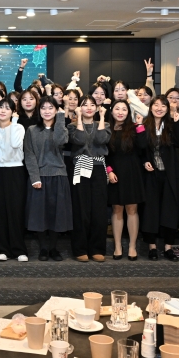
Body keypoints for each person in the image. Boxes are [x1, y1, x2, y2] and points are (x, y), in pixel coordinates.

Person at [26, 96, 73, 261]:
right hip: (39, 177)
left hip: (58, 175)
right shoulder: (32, 130)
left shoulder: (61, 128)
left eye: (50, 108)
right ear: (39, 111)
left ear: (56, 110)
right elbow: (29, 154)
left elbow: (60, 141)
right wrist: (35, 177)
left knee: (56, 214)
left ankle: (53, 248)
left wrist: (61, 117)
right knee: (40, 215)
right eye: (43, 108)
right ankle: (43, 248)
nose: (47, 111)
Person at [140, 96, 179, 261]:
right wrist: (144, 161)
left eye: (163, 106)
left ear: (167, 109)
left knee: (170, 210)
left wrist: (176, 121)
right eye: (156, 105)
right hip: (151, 174)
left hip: (170, 175)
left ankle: (168, 247)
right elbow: (140, 148)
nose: (159, 108)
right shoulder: (144, 125)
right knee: (150, 211)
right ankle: (152, 247)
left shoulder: (171, 124)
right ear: (151, 107)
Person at [69, 96, 109, 262]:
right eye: (85, 105)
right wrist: (78, 118)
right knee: (81, 209)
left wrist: (102, 117)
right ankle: (80, 248)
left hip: (98, 167)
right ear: (80, 108)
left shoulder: (105, 125)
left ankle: (97, 248)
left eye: (93, 105)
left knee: (99, 210)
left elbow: (101, 139)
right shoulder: (72, 126)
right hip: (80, 166)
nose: (89, 108)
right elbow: (79, 140)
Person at [0, 98, 28, 262]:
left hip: (16, 170)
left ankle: (19, 249)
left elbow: (15, 144)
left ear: (13, 112)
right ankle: (1, 249)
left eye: (7, 108)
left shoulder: (19, 127)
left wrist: (15, 122)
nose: (3, 110)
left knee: (16, 210)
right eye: (0, 107)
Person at [106, 100, 147, 261]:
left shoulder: (135, 128)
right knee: (117, 209)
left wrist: (140, 125)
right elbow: (104, 153)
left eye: (124, 109)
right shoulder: (107, 128)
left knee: (132, 209)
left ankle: (132, 246)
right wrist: (109, 171)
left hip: (132, 172)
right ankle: (117, 246)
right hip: (114, 172)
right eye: (117, 109)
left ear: (128, 112)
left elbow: (143, 146)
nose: (120, 112)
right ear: (112, 111)